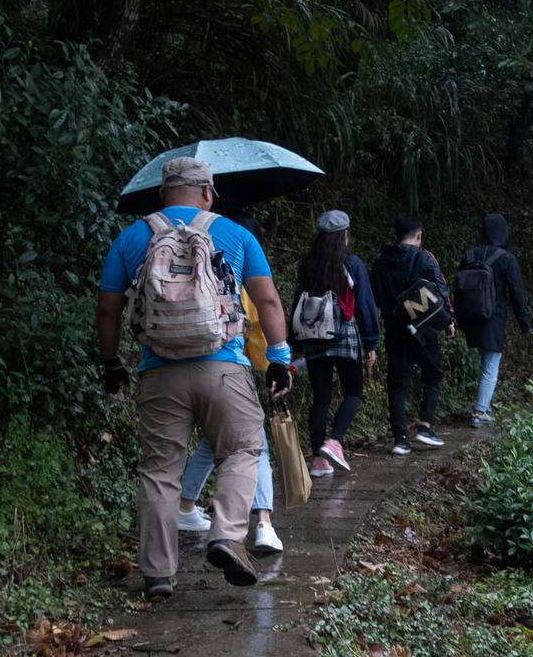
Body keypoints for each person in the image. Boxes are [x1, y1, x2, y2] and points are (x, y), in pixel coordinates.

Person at [96, 157, 292, 601]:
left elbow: (108, 308)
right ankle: (225, 534)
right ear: (207, 192)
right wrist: (280, 359)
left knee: (160, 471)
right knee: (243, 449)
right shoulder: (237, 234)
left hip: (159, 373)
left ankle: (159, 575)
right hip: (224, 368)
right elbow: (268, 301)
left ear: (163, 193)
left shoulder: (132, 237)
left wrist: (111, 364)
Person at [178, 206, 281, 554]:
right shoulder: (239, 271)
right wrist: (276, 366)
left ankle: (184, 506)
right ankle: (262, 523)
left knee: (211, 444)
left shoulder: (197, 265)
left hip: (176, 363)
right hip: (230, 370)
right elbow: (258, 327)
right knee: (255, 445)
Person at [295, 209, 380, 476]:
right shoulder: (351, 263)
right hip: (344, 333)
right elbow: (365, 304)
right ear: (344, 234)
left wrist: (294, 343)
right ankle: (334, 441)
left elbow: (297, 302)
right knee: (354, 392)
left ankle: (318, 461)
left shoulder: (308, 264)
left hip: (312, 335)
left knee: (320, 399)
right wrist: (371, 342)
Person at [372, 213, 450, 456]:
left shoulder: (381, 262)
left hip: (395, 330)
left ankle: (400, 440)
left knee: (397, 385)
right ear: (418, 235)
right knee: (433, 376)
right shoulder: (425, 259)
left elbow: (375, 296)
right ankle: (425, 426)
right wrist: (448, 321)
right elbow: (440, 291)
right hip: (423, 329)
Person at [453, 212, 533, 428]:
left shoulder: (468, 256)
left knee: (485, 361)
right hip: (492, 319)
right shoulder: (506, 259)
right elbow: (517, 293)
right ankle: (480, 411)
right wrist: (525, 324)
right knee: (490, 364)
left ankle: (485, 405)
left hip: (470, 317)